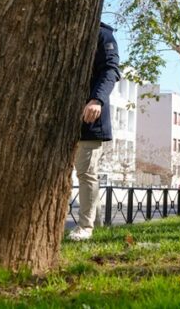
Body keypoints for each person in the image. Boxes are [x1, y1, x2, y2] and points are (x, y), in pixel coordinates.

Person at [67, 23, 121, 241]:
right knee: (85, 173)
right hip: (63, 118)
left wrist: (96, 99)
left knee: (86, 172)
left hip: (90, 117)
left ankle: (86, 227)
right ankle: (96, 225)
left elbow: (110, 70)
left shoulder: (103, 34)